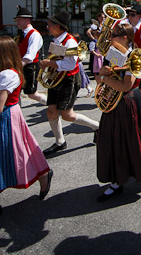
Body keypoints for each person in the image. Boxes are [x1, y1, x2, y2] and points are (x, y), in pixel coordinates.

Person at [0, 36, 53, 230]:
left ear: (1, 54)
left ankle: (43, 175)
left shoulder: (8, 74)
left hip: (5, 118)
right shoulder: (1, 72)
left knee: (16, 156)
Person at [95, 24, 141, 202]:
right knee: (112, 141)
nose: (109, 38)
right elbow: (99, 78)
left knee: (130, 141)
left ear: (124, 38)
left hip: (128, 102)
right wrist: (102, 74)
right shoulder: (112, 52)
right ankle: (116, 180)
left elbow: (126, 85)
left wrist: (105, 79)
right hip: (113, 102)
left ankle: (126, 177)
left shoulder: (134, 56)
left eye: (113, 35)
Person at [41, 10, 99, 156]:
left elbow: (71, 65)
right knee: (51, 111)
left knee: (67, 115)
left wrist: (51, 63)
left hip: (69, 80)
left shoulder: (71, 41)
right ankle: (60, 141)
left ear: (58, 26)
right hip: (56, 79)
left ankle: (97, 127)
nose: (48, 27)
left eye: (50, 24)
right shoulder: (55, 40)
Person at [13, 6, 48, 105]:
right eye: (17, 20)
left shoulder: (34, 35)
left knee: (32, 93)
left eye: (19, 20)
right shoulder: (21, 34)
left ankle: (52, 106)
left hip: (30, 67)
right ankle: (17, 116)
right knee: (16, 93)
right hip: (21, 66)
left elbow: (30, 55)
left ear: (27, 20)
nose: (17, 22)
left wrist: (18, 65)